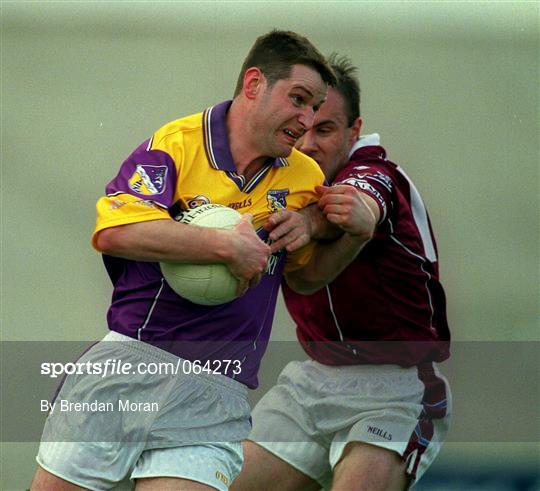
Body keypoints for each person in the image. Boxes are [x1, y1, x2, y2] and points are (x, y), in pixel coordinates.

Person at [30, 30, 336, 491]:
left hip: (218, 389)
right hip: (133, 367)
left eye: (316, 107)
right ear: (254, 84)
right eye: (299, 99)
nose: (307, 119)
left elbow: (308, 279)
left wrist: (317, 225)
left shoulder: (304, 176)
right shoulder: (177, 144)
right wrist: (224, 247)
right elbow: (115, 231)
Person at [232, 54, 451, 491]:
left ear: (354, 131)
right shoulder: (277, 178)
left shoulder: (376, 171)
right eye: (302, 129)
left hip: (395, 389)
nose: (309, 144)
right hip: (312, 381)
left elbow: (358, 204)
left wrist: (311, 223)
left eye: (326, 129)